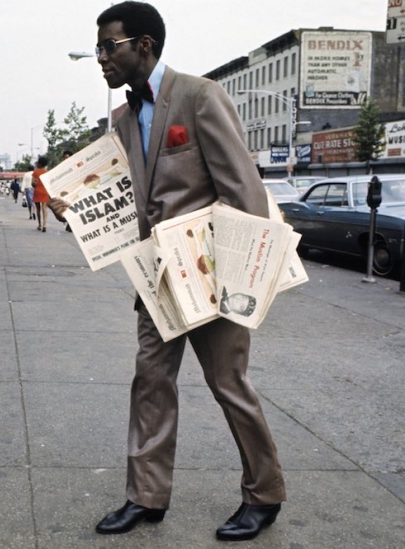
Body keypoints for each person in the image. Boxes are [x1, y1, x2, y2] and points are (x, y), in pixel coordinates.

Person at [90, 2, 285, 541]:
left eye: (110, 45)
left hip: (212, 273)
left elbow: (244, 192)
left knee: (229, 384)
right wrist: (76, 211)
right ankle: (146, 496)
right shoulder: (123, 119)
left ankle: (264, 494)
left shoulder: (199, 97)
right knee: (150, 381)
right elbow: (123, 196)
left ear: (144, 45)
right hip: (157, 281)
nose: (101, 57)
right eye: (99, 47)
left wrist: (241, 280)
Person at [31, 156, 50, 232]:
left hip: (37, 191)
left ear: (39, 163)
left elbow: (32, 184)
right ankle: (45, 224)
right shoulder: (47, 172)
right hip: (45, 191)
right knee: (44, 208)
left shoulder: (35, 172)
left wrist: (35, 183)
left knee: (38, 209)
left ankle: (39, 225)